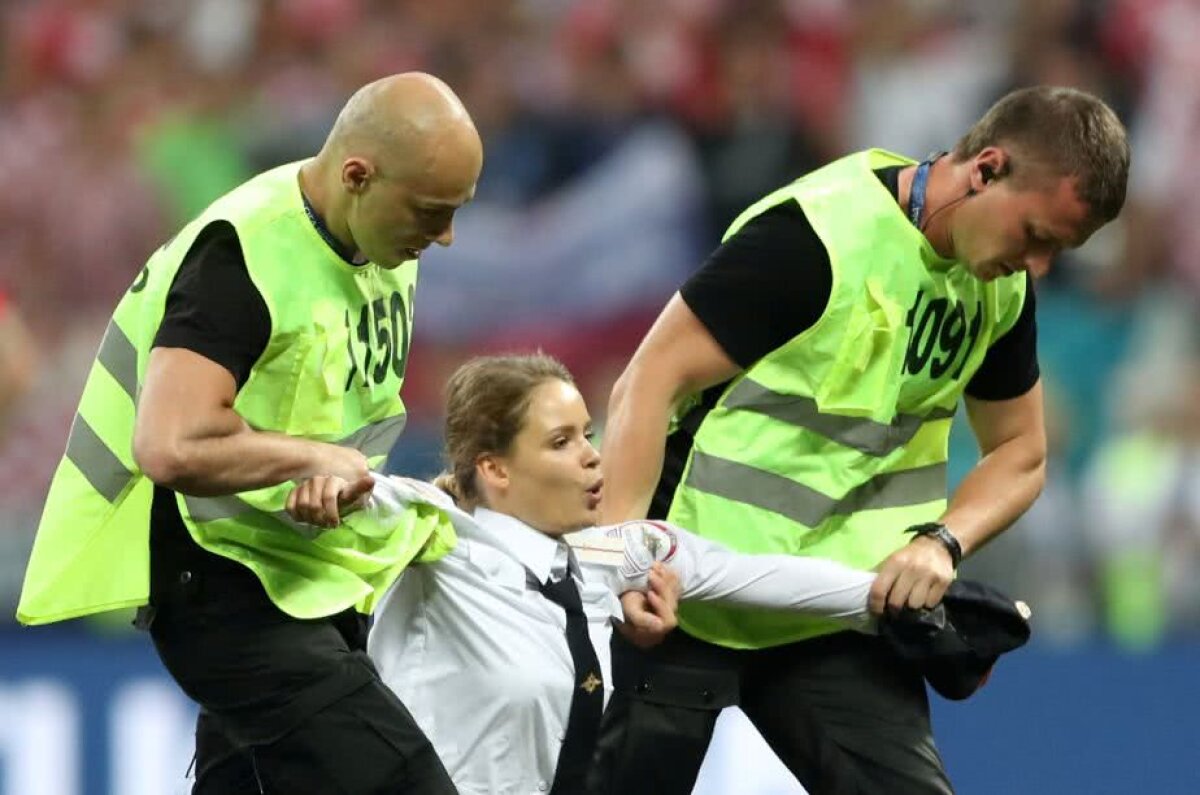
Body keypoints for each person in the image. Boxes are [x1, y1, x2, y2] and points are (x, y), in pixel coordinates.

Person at [593, 85, 1131, 795]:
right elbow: (648, 381)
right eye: (1036, 235)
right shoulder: (816, 237)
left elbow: (1020, 452)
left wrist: (942, 542)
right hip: (685, 593)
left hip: (832, 607)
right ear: (986, 169)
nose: (1038, 267)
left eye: (1059, 250)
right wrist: (620, 568)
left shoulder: (998, 292)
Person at [18, 73, 484, 794]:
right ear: (358, 175)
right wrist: (312, 458)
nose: (446, 237)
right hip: (221, 580)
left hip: (307, 572)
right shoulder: (243, 257)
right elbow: (169, 443)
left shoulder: (378, 240)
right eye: (431, 212)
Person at [286, 353, 884, 795]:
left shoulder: (601, 558)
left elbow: (749, 576)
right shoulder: (440, 541)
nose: (592, 456)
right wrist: (331, 486)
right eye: (561, 441)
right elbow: (375, 496)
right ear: (494, 468)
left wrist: (890, 596)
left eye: (589, 435)